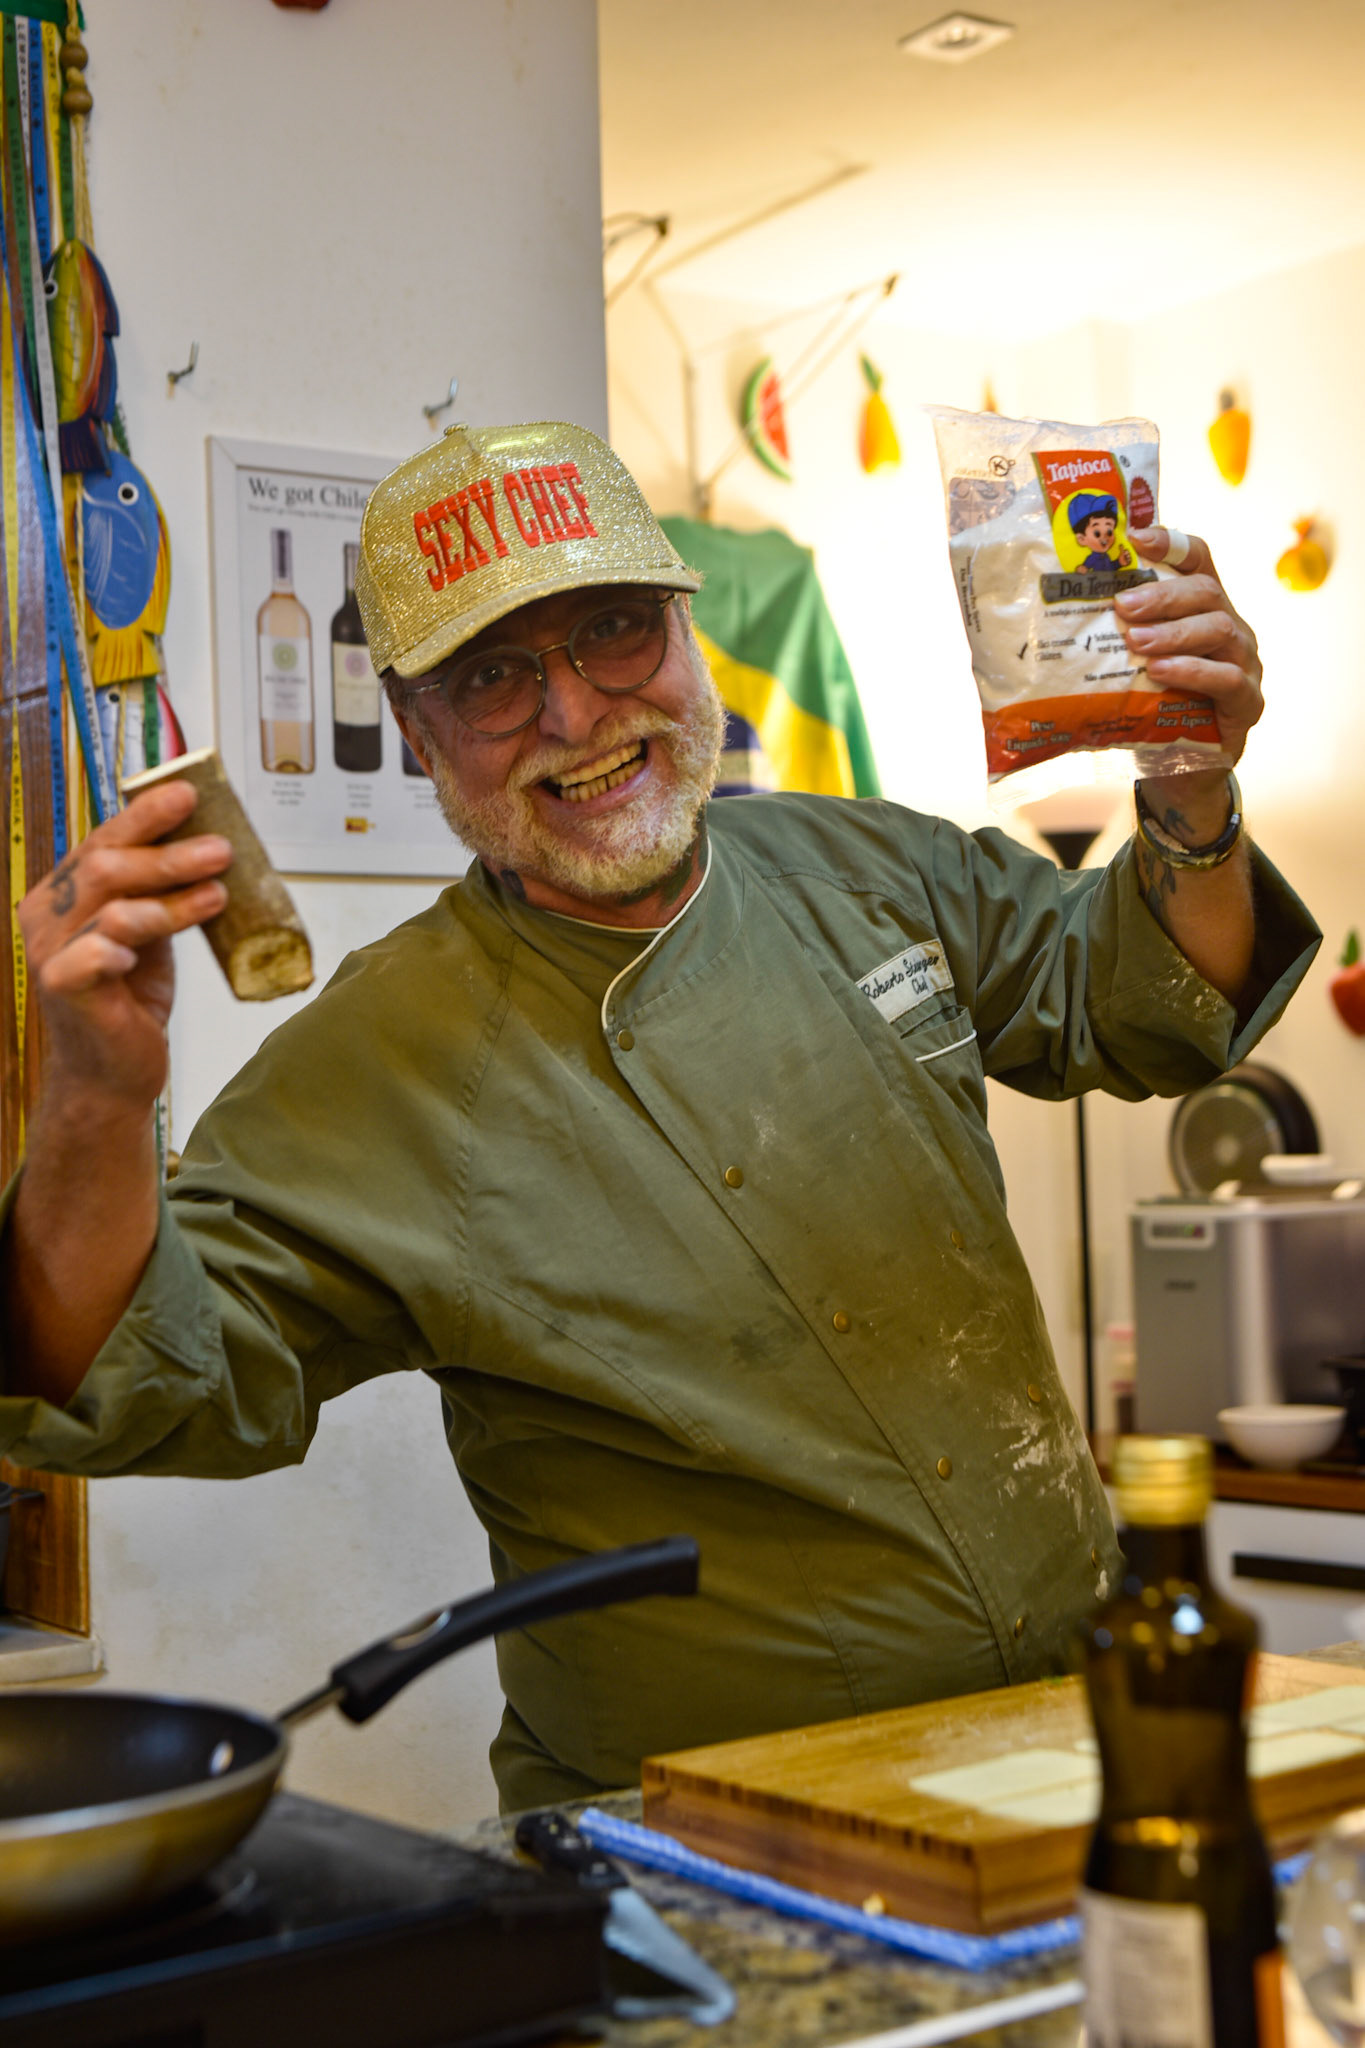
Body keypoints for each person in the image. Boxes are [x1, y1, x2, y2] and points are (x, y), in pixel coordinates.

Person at [0, 421, 1317, 1809]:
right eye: (494, 676)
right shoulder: (371, 1065)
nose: (575, 713)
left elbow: (1146, 1002)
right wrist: (93, 1091)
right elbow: (128, 1382)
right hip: (705, 1828)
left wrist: (1185, 790)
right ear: (413, 728)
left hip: (1076, 1738)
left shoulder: (863, 867)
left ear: (685, 636)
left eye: (615, 631)